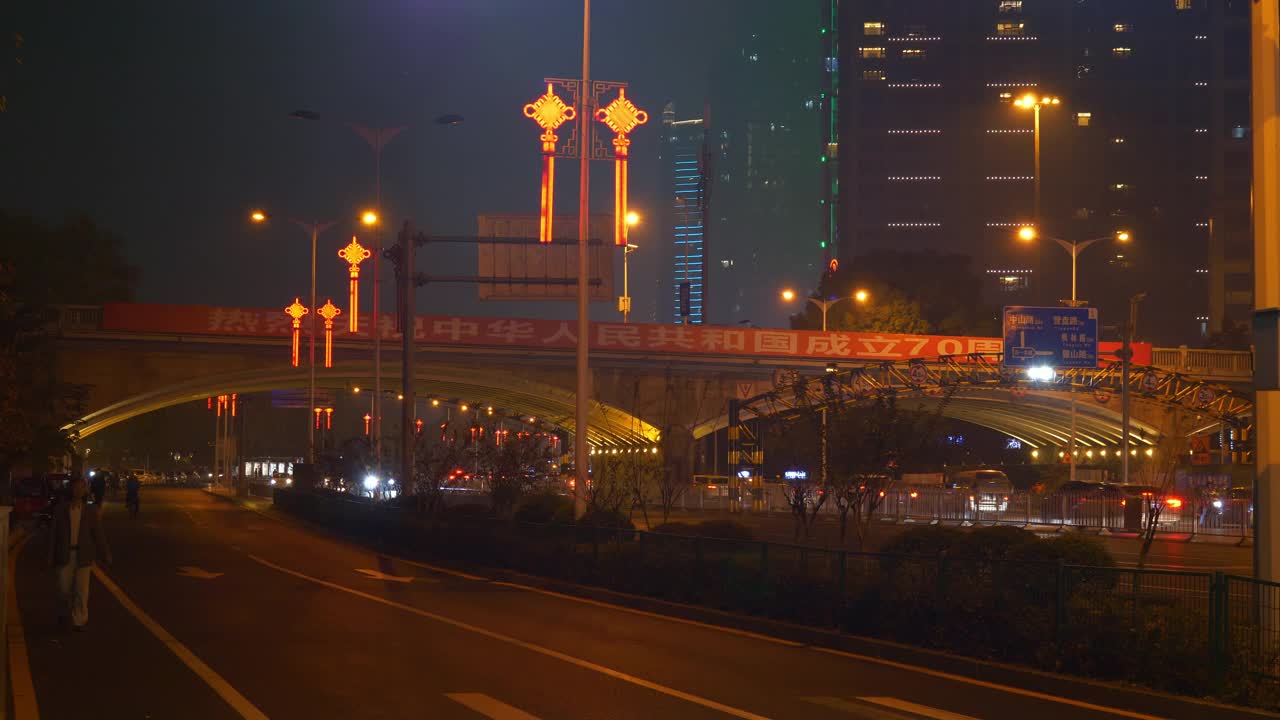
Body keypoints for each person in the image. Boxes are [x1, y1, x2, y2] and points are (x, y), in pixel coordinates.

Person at [47, 476, 111, 631]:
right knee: (63, 588)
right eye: (76, 487)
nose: (78, 490)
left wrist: (105, 554)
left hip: (83, 555)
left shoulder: (90, 511)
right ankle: (63, 614)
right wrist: (49, 556)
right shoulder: (61, 510)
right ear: (71, 489)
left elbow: (98, 534)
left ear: (85, 490)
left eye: (82, 487)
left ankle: (79, 620)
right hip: (64, 554)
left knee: (82, 590)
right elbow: (53, 535)